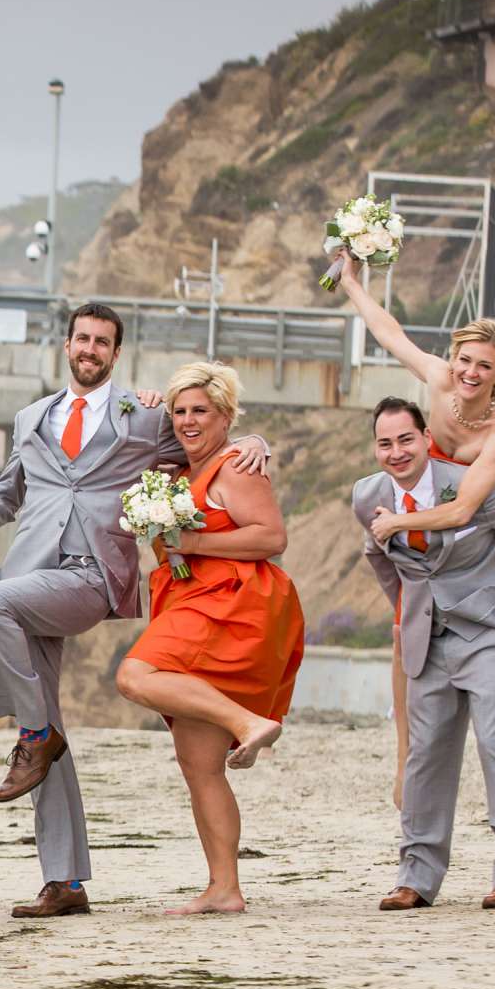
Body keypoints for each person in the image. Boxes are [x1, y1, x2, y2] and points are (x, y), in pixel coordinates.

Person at [0, 303, 271, 921]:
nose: (90, 349)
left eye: (103, 342)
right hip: (30, 570)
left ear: (116, 354)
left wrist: (254, 441)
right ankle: (64, 879)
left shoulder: (144, 416)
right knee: (41, 719)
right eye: (82, 339)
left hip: (92, 573)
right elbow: (11, 489)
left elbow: (206, 441)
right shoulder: (31, 417)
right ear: (66, 345)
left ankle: (37, 736)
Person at [328, 254, 495, 796]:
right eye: (464, 359)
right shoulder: (436, 377)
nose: (470, 372)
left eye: (484, 366)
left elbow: (463, 511)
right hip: (428, 499)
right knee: (407, 624)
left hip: (485, 515)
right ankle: (404, 758)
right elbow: (389, 332)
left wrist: (397, 522)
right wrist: (352, 283)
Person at [352, 397, 495, 910]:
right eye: (385, 443)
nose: (397, 452)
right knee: (426, 756)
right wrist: (406, 611)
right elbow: (378, 555)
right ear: (375, 450)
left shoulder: (471, 486)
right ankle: (416, 876)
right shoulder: (368, 496)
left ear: (426, 438)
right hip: (428, 638)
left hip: (488, 630)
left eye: (406, 439)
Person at [113, 363, 304, 917]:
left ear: (225, 416)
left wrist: (191, 541)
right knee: (199, 764)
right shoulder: (177, 469)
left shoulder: (236, 467)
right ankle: (225, 888)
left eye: (202, 410)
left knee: (134, 675)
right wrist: (147, 400)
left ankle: (246, 723)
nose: (189, 420)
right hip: (197, 603)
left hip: (232, 605)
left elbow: (272, 537)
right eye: (180, 411)